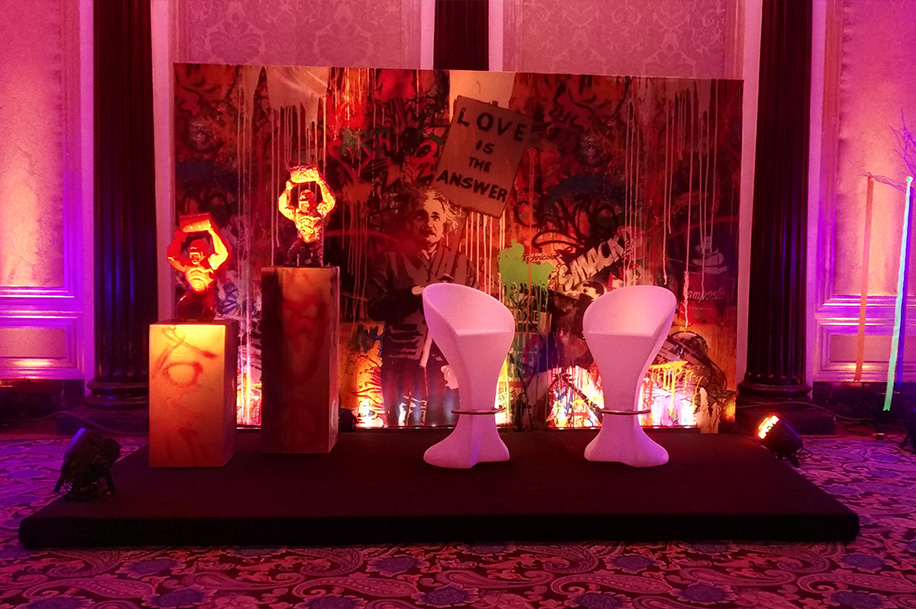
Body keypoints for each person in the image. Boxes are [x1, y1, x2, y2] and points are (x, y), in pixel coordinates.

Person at [366, 187, 476, 427]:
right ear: (410, 222)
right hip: (401, 359)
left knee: (445, 426)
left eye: (435, 216)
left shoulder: (460, 263)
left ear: (445, 223)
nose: (429, 223)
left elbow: (473, 313)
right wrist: (415, 293)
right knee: (400, 429)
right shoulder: (389, 259)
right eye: (420, 216)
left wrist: (453, 300)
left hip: (446, 361)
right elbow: (373, 308)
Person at [167, 213, 229, 321]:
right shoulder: (187, 265)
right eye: (192, 253)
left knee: (209, 307)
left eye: (197, 253)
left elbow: (222, 253)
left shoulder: (209, 263)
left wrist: (213, 233)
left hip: (207, 292)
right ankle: (181, 317)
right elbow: (172, 257)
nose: (194, 256)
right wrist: (178, 238)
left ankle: (207, 317)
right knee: (181, 305)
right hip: (192, 292)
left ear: (203, 253)